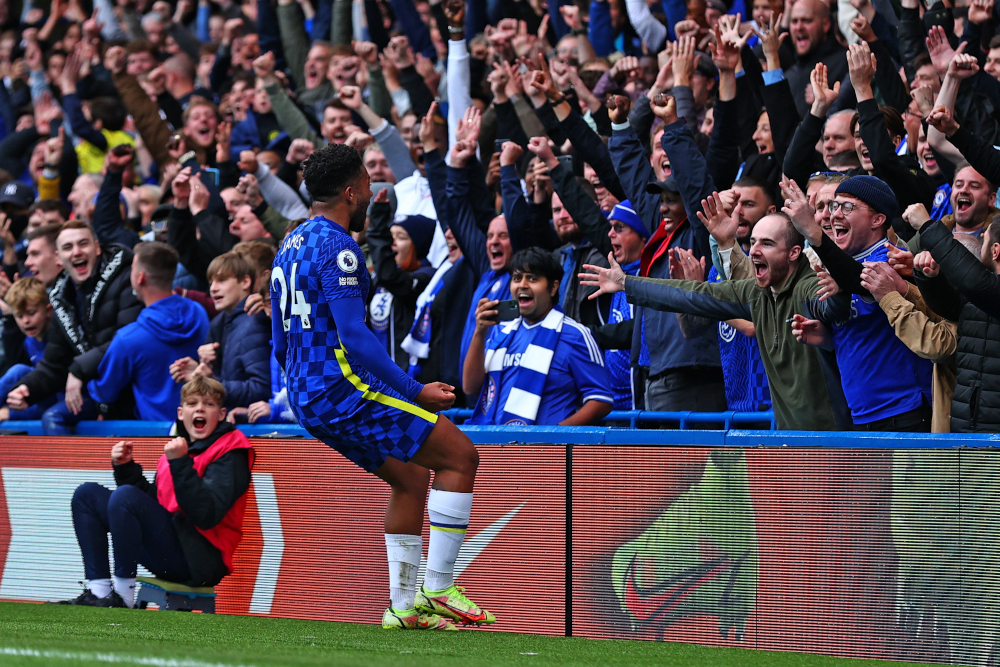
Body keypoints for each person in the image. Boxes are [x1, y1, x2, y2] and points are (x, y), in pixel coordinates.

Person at [271, 143, 494, 630]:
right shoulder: (337, 246)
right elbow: (355, 335)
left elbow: (279, 339)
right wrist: (414, 391)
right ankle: (437, 586)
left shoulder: (288, 245)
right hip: (340, 388)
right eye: (368, 185)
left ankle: (403, 607)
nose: (373, 193)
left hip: (307, 396)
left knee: (411, 478)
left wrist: (300, 390)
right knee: (460, 455)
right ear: (350, 192)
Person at [580, 209, 850, 430]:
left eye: (766, 243)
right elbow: (692, 294)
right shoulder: (756, 293)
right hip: (786, 446)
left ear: (793, 253)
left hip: (835, 444)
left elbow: (832, 307)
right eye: (753, 241)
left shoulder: (807, 287)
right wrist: (627, 284)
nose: (754, 250)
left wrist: (838, 292)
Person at [56, 376, 254, 607]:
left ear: (221, 415)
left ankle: (122, 597)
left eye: (209, 404)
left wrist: (180, 463)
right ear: (181, 413)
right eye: (192, 404)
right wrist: (126, 468)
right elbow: (154, 505)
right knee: (87, 495)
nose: (200, 408)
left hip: (201, 559)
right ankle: (98, 591)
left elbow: (205, 515)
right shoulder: (178, 448)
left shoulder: (232, 449)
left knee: (126, 496)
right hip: (171, 547)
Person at [6, 221, 143, 434]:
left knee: (54, 416)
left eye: (83, 244)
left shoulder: (125, 277)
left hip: (133, 393)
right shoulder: (63, 297)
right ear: (59, 258)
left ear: (97, 248)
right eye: (68, 247)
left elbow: (127, 339)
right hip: (96, 394)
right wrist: (28, 390)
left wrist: (79, 370)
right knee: (20, 378)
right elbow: (54, 363)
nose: (77, 252)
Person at [463, 247, 613, 426]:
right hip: (495, 447)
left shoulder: (576, 335)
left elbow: (601, 399)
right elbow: (471, 387)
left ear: (553, 287)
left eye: (532, 278)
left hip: (544, 451)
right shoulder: (499, 332)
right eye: (517, 278)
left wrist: (554, 435)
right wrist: (479, 333)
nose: (522, 285)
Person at [87, 242, 210, 422]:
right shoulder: (199, 313)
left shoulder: (129, 338)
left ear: (140, 277)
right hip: (203, 426)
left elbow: (105, 391)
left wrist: (81, 377)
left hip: (156, 437)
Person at [169, 252, 271, 410]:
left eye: (222, 280)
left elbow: (261, 388)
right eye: (211, 282)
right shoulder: (220, 323)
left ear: (245, 281)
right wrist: (199, 368)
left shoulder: (255, 322)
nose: (213, 289)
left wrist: (213, 383)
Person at [0, 277, 57, 421]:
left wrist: (9, 413)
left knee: (19, 371)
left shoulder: (58, 338)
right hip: (40, 393)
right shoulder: (29, 341)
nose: (25, 320)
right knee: (18, 370)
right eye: (19, 315)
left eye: (31, 313)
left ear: (48, 310)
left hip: (62, 398)